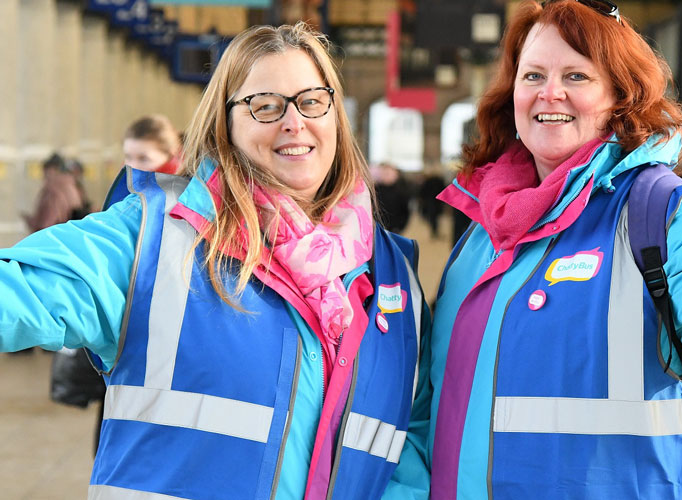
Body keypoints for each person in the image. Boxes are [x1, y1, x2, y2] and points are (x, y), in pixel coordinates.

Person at [428, 1, 682, 499]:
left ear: (620, 98)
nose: (550, 92)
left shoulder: (662, 220)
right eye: (533, 74)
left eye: (577, 76)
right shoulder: (483, 233)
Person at [0, 23, 430, 500]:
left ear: (334, 115)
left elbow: (410, 442)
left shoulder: (393, 279)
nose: (294, 122)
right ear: (224, 124)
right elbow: (19, 293)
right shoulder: (152, 237)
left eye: (311, 101)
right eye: (265, 105)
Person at [21, 152, 85, 232]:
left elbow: (47, 224)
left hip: (53, 237)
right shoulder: (72, 186)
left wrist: (32, 222)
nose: (44, 176)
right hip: (68, 235)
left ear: (52, 170)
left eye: (45, 171)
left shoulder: (52, 191)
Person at [373, 162, 412, 233]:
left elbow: (405, 211)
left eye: (389, 173)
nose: (387, 176)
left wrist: (400, 226)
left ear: (396, 175)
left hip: (395, 228)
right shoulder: (374, 191)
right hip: (377, 229)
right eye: (385, 173)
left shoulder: (401, 191)